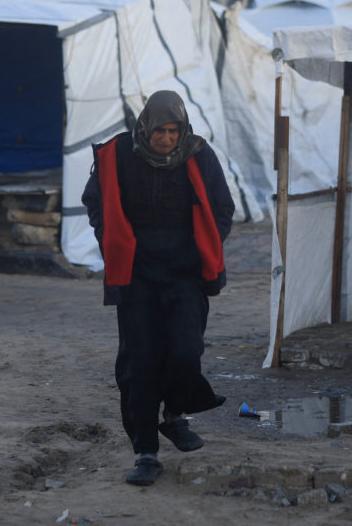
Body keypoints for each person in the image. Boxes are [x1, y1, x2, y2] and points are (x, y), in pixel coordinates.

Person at [81, 90, 234, 486]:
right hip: (137, 276)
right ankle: (146, 452)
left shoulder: (199, 156)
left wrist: (204, 246)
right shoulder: (118, 156)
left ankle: (174, 414)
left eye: (173, 131)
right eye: (159, 131)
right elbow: (94, 201)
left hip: (184, 274)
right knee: (140, 363)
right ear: (145, 127)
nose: (166, 139)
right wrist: (110, 240)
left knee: (186, 349)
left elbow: (222, 208)